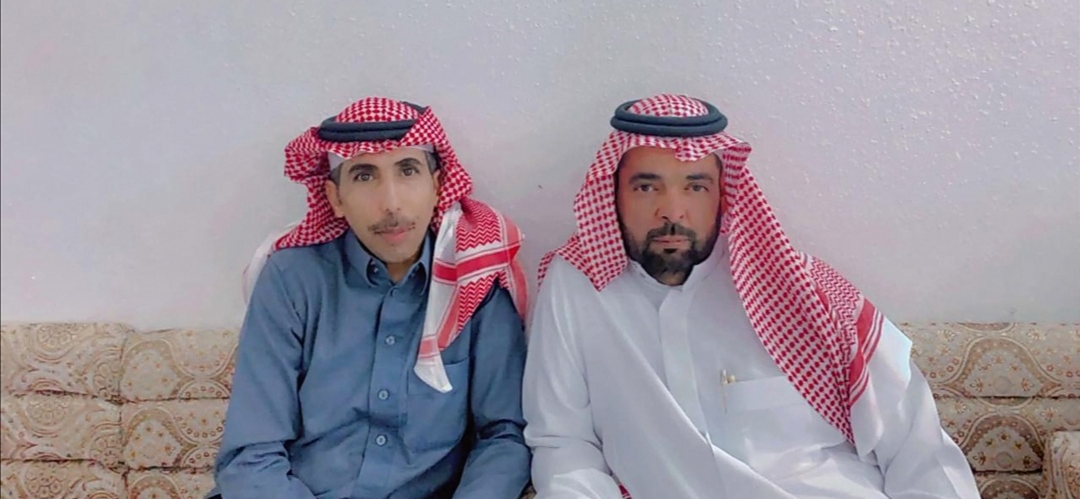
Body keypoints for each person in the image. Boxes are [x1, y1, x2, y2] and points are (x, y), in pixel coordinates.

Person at [522, 93, 979, 499]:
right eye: (646, 187)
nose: (672, 211)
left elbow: (918, 449)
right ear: (612, 195)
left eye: (695, 187)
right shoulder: (576, 286)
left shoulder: (800, 287)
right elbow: (564, 443)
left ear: (723, 195)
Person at [210, 96, 531, 499]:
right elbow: (251, 456)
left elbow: (504, 437)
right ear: (335, 198)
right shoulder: (292, 281)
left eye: (408, 170)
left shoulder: (475, 281)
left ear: (437, 186)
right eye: (364, 176)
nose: (391, 203)